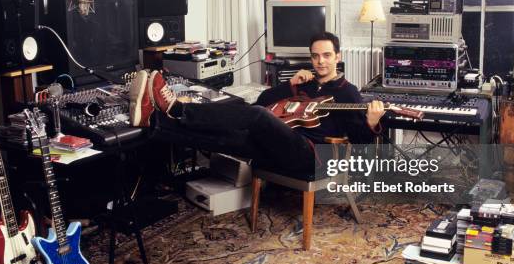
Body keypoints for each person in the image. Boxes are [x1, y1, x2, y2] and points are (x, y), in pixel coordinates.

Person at [129, 32, 385, 173]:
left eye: (327, 56)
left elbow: (359, 143)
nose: (320, 62)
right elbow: (263, 101)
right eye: (316, 56)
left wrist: (372, 122)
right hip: (279, 144)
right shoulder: (303, 83)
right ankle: (154, 122)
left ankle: (178, 109)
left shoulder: (348, 92)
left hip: (311, 155)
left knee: (258, 117)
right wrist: (290, 84)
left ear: (337, 57)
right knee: (231, 138)